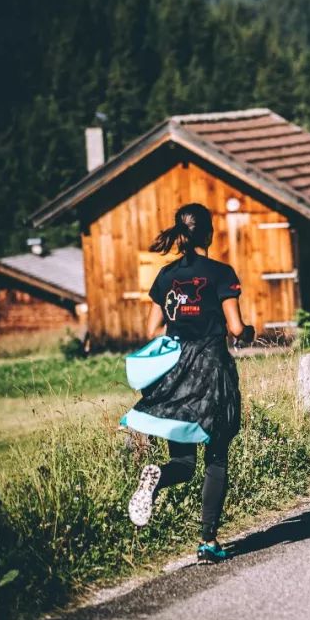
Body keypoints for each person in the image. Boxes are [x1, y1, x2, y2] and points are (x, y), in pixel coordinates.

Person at [123, 203, 254, 564]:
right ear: (208, 233)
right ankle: (208, 541)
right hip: (211, 371)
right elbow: (236, 328)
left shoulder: (165, 276)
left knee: (183, 461)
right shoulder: (221, 273)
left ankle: (156, 478)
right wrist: (250, 334)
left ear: (180, 234)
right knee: (216, 457)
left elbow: (150, 330)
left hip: (175, 373)